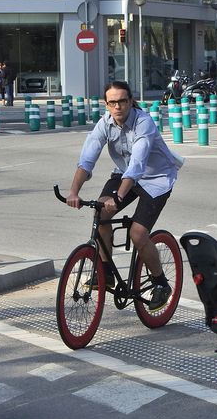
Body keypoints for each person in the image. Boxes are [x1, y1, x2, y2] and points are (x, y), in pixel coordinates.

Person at [65, 81, 181, 311]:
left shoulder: (143, 123)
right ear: (106, 104)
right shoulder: (104, 124)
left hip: (156, 178)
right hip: (124, 174)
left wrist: (118, 197)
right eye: (112, 102)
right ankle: (106, 271)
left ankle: (161, 282)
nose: (118, 106)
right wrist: (74, 191)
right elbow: (87, 158)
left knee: (137, 233)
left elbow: (137, 165)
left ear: (130, 101)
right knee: (100, 211)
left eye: (122, 101)